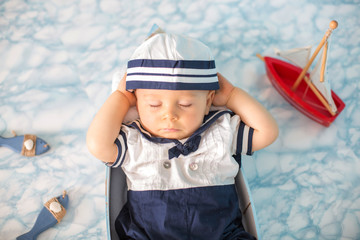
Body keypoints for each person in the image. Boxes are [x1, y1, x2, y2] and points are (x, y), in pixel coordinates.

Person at [87, 31, 278, 240]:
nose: (169, 115)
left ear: (207, 102)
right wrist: (121, 97)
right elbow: (99, 145)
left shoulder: (220, 131)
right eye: (153, 105)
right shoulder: (134, 140)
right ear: (137, 104)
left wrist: (232, 95)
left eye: (185, 104)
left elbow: (267, 133)